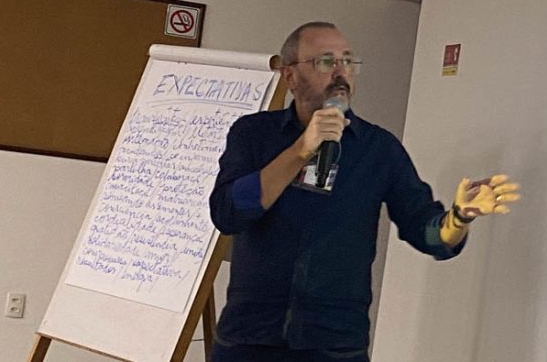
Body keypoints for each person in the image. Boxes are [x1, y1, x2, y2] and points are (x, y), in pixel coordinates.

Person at [208, 21, 520, 361]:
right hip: (249, 340)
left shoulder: (379, 149)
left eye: (347, 61)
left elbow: (427, 232)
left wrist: (459, 217)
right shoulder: (253, 134)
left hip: (335, 345)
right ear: (290, 76)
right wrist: (301, 149)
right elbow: (227, 213)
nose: (340, 72)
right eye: (325, 61)